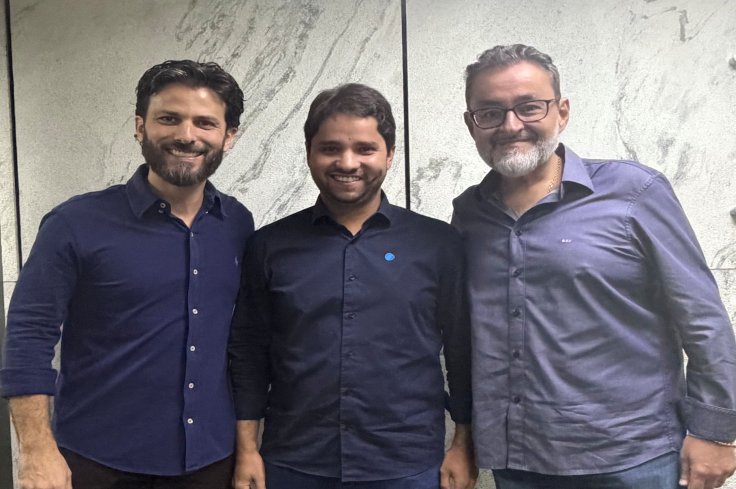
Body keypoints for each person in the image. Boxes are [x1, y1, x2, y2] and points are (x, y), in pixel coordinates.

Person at [452, 43, 736, 489]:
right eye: (490, 112)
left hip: (633, 460)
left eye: (529, 107)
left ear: (561, 112)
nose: (511, 125)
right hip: (519, 461)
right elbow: (469, 336)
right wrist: (465, 435)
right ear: (472, 125)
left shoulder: (634, 193)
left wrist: (716, 431)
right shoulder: (470, 214)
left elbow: (702, 319)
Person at [0, 60, 254, 489]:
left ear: (228, 136)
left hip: (210, 462)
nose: (186, 135)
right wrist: (36, 449)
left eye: (205, 123)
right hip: (96, 463)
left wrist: (248, 448)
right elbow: (29, 334)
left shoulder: (237, 224)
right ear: (140, 127)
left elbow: (243, 342)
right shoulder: (75, 223)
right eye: (169, 118)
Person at [229, 83, 475, 489]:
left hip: (407, 464)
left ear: (389, 154)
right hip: (294, 462)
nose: (347, 162)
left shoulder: (438, 244)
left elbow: (462, 349)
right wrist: (247, 450)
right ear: (309, 152)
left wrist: (464, 444)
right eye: (331, 148)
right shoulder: (268, 246)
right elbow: (249, 351)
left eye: (365, 148)